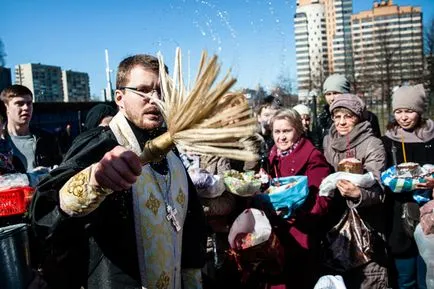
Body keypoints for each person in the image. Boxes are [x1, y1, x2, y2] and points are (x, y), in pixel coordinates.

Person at [29, 54, 207, 289]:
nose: (154, 99)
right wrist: (95, 179)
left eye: (161, 91)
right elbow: (47, 208)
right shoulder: (101, 143)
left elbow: (192, 227)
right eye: (143, 90)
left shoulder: (172, 156)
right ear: (120, 98)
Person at [322, 94, 388, 289]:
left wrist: (359, 194)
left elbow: (380, 189)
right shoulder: (328, 141)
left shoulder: (372, 144)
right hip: (335, 231)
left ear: (358, 117)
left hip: (366, 229)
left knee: (370, 281)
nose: (341, 122)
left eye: (348, 116)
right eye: (337, 116)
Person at [264, 109, 332, 289]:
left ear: (299, 130)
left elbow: (322, 199)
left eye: (287, 131)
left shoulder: (312, 156)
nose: (281, 137)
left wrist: (297, 214)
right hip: (277, 235)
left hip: (302, 235)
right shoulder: (272, 156)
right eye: (277, 132)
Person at [382, 84, 434, 289]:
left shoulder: (431, 138)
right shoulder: (388, 141)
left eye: (409, 111)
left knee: (428, 275)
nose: (403, 117)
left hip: (429, 214)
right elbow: (382, 176)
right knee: (405, 278)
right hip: (399, 215)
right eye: (398, 111)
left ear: (419, 111)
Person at [0, 84, 62, 173]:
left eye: (29, 103)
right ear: (6, 106)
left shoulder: (47, 140)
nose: (26, 108)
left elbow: (59, 173)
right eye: (20, 104)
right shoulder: (1, 140)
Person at [317, 74, 381, 149]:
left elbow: (375, 144)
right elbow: (319, 146)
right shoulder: (322, 119)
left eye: (335, 93)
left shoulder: (368, 117)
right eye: (328, 94)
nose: (332, 98)